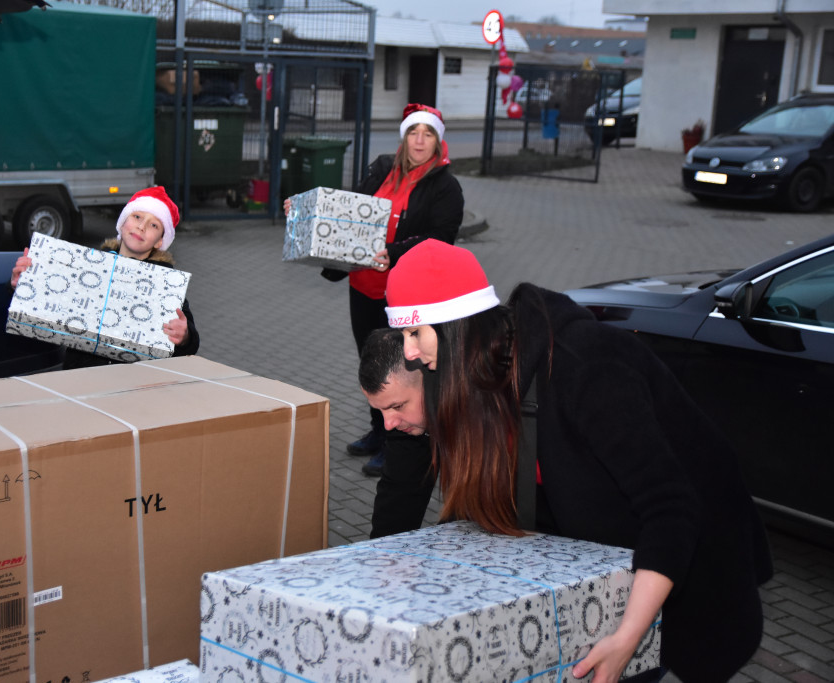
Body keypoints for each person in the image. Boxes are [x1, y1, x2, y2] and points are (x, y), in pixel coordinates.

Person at [383, 239, 773, 683]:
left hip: (688, 570)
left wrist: (627, 636)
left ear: (457, 326)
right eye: (403, 335)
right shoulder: (483, 376)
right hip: (609, 574)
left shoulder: (586, 366)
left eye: (416, 333)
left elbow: (672, 509)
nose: (410, 352)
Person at [286, 103, 464, 476]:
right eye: (413, 131)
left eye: (427, 133)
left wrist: (395, 252)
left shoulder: (445, 186)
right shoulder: (383, 169)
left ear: (437, 141)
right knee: (370, 361)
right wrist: (304, 212)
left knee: (403, 369)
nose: (419, 139)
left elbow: (440, 238)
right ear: (404, 137)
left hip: (405, 292)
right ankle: (377, 431)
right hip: (364, 283)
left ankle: (400, 444)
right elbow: (348, 212)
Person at [11, 186, 199, 368]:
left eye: (154, 225)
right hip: (80, 375)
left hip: (136, 382)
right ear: (123, 222)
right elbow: (48, 304)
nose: (141, 227)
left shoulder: (165, 283)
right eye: (137, 217)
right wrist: (24, 284)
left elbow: (189, 339)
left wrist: (185, 336)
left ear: (159, 241)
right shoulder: (86, 266)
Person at [357, 328, 435, 538]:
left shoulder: (489, 406)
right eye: (380, 410)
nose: (388, 424)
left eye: (398, 406)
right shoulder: (406, 424)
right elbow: (397, 500)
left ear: (431, 382)